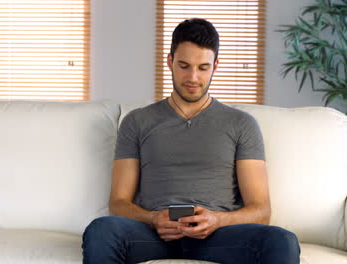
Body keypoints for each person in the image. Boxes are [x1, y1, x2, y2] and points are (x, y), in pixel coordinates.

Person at [82, 18, 300, 264]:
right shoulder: (137, 122)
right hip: (152, 235)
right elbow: (118, 204)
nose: (193, 77)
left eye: (203, 67)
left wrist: (218, 220)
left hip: (220, 236)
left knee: (282, 241)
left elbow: (261, 210)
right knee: (101, 230)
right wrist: (153, 219)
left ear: (216, 66)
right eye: (184, 65)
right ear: (169, 62)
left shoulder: (241, 124)